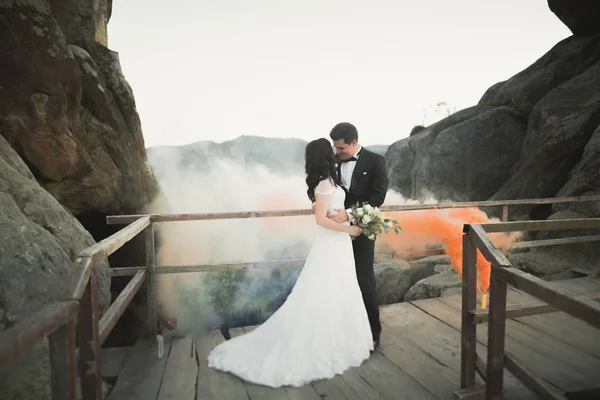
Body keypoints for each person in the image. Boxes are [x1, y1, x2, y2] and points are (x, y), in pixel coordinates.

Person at [206, 138, 373, 388]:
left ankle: (335, 339)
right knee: (327, 288)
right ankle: (324, 343)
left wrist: (345, 218)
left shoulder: (329, 179)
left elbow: (325, 209)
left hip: (337, 243)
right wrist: (349, 230)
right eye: (329, 150)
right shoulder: (325, 182)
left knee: (339, 289)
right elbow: (320, 220)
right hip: (332, 242)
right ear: (324, 155)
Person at [327, 122, 389, 349]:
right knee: (339, 280)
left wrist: (350, 215)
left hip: (362, 230)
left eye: (341, 148)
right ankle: (344, 331)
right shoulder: (332, 162)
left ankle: (372, 334)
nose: (337, 152)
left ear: (354, 142)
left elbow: (378, 197)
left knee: (364, 280)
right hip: (335, 233)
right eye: (335, 147)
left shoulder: (376, 161)